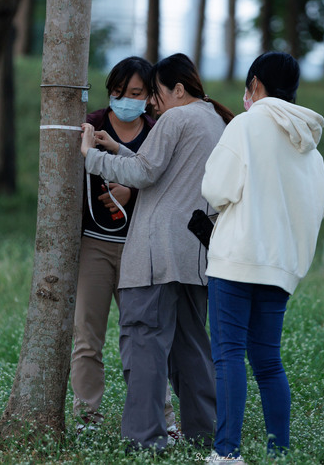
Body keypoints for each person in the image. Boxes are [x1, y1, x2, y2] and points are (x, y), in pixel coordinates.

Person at [79, 53, 234, 451]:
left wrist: (91, 156)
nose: (151, 102)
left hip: (154, 255)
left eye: (157, 93)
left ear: (178, 89)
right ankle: (205, 435)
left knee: (144, 344)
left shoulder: (176, 118)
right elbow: (164, 172)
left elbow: (144, 175)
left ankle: (145, 440)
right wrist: (118, 148)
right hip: (193, 255)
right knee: (192, 350)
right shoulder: (213, 121)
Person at [201, 52, 324, 463]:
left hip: (236, 258)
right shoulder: (310, 143)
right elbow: (320, 206)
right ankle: (279, 452)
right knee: (268, 362)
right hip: (280, 267)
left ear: (255, 84)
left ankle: (227, 454)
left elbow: (216, 189)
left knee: (228, 356)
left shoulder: (245, 125)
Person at [70, 56, 178, 438]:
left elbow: (164, 184)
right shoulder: (92, 125)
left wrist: (131, 189)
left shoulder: (157, 131)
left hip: (140, 249)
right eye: (118, 92)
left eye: (135, 93)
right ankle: (88, 418)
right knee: (87, 337)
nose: (126, 100)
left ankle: (163, 418)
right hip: (94, 246)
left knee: (146, 339)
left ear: (150, 96)